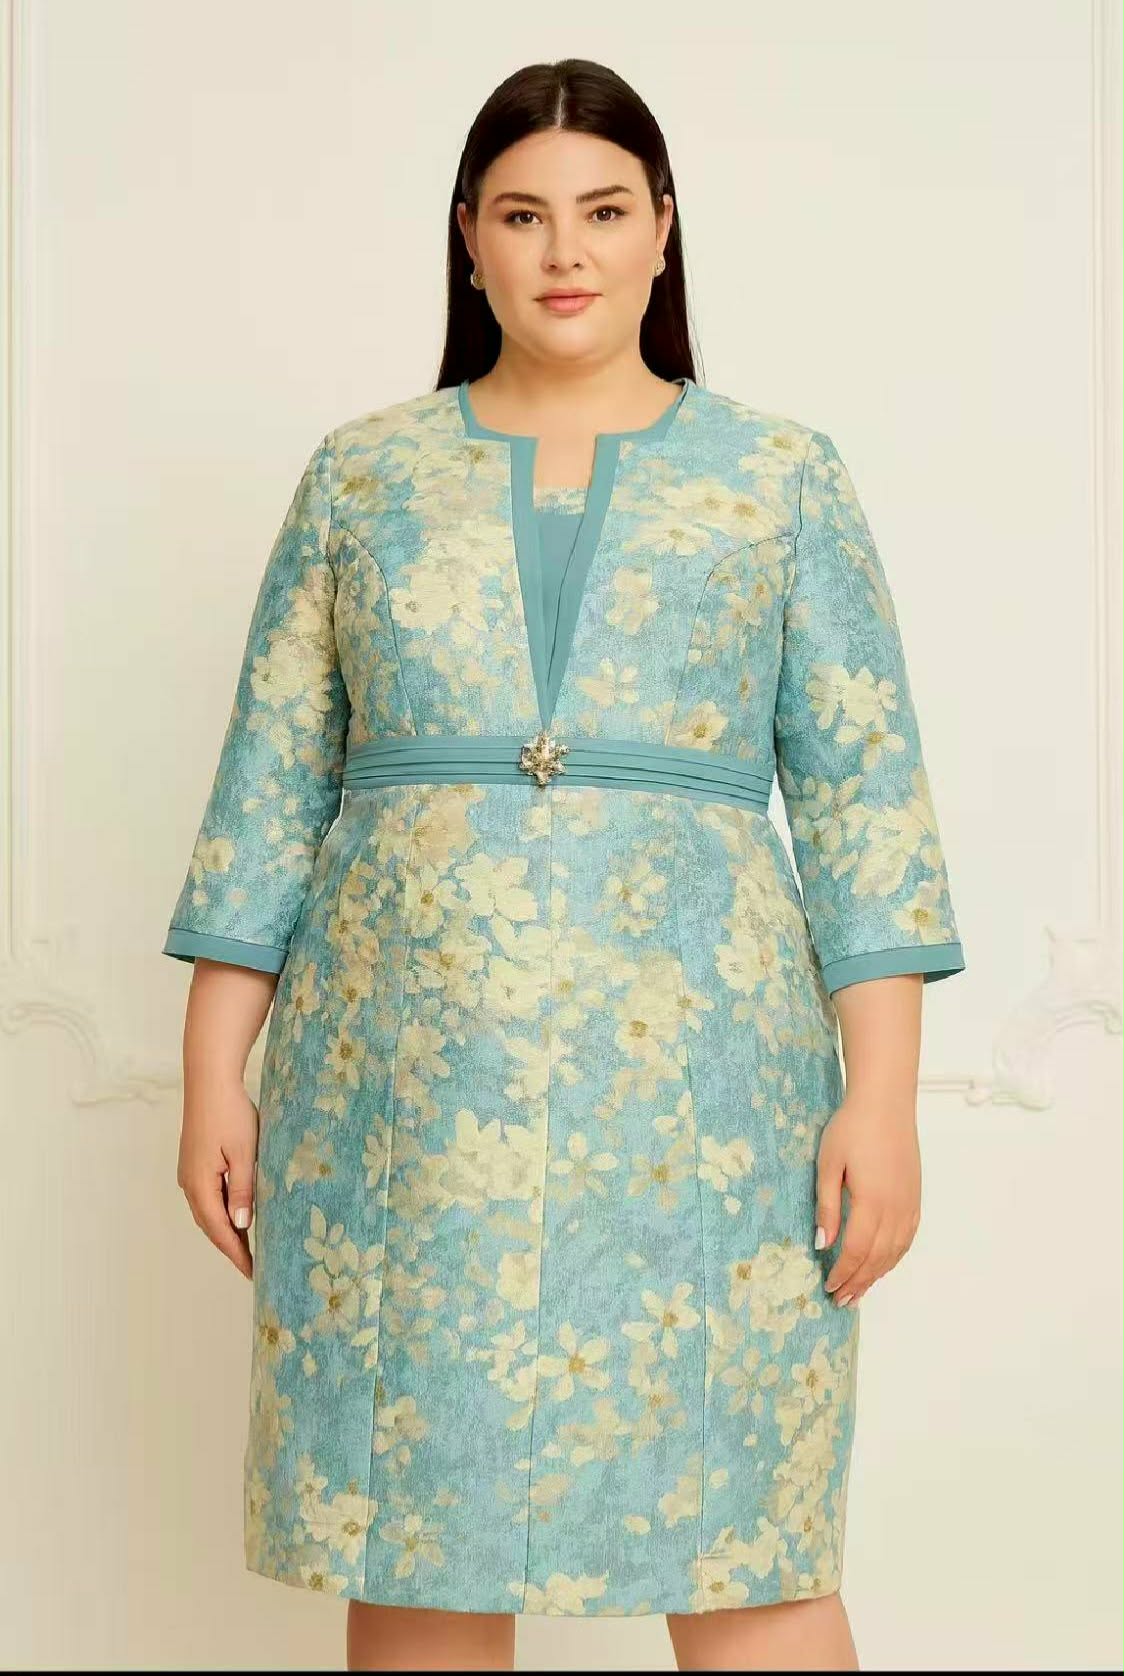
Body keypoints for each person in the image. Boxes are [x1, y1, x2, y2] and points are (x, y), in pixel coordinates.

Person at [163, 56, 965, 1675]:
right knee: (419, 1531)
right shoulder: (361, 477)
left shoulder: (781, 476)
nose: (565, 252)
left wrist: (881, 1100)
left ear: (665, 228)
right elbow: (267, 794)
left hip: (710, 1094)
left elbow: (867, 803)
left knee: (742, 1533)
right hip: (405, 1085)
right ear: (469, 239)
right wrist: (210, 1082)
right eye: (523, 216)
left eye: (603, 211)